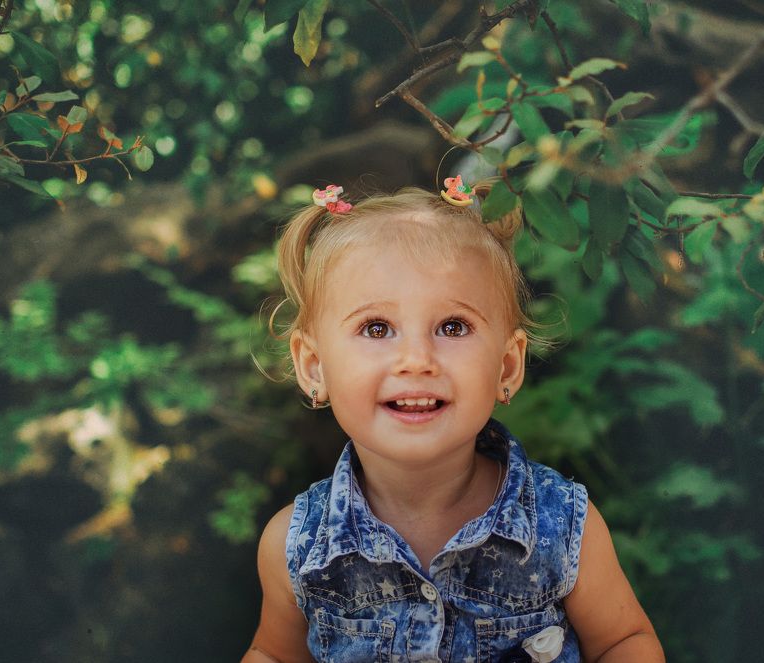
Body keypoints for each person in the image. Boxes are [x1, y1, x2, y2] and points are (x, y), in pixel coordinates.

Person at [242, 179, 664, 663]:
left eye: (452, 327)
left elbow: (623, 641)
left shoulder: (562, 525)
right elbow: (273, 653)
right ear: (314, 367)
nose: (416, 360)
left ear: (506, 366)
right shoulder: (296, 545)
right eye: (376, 328)